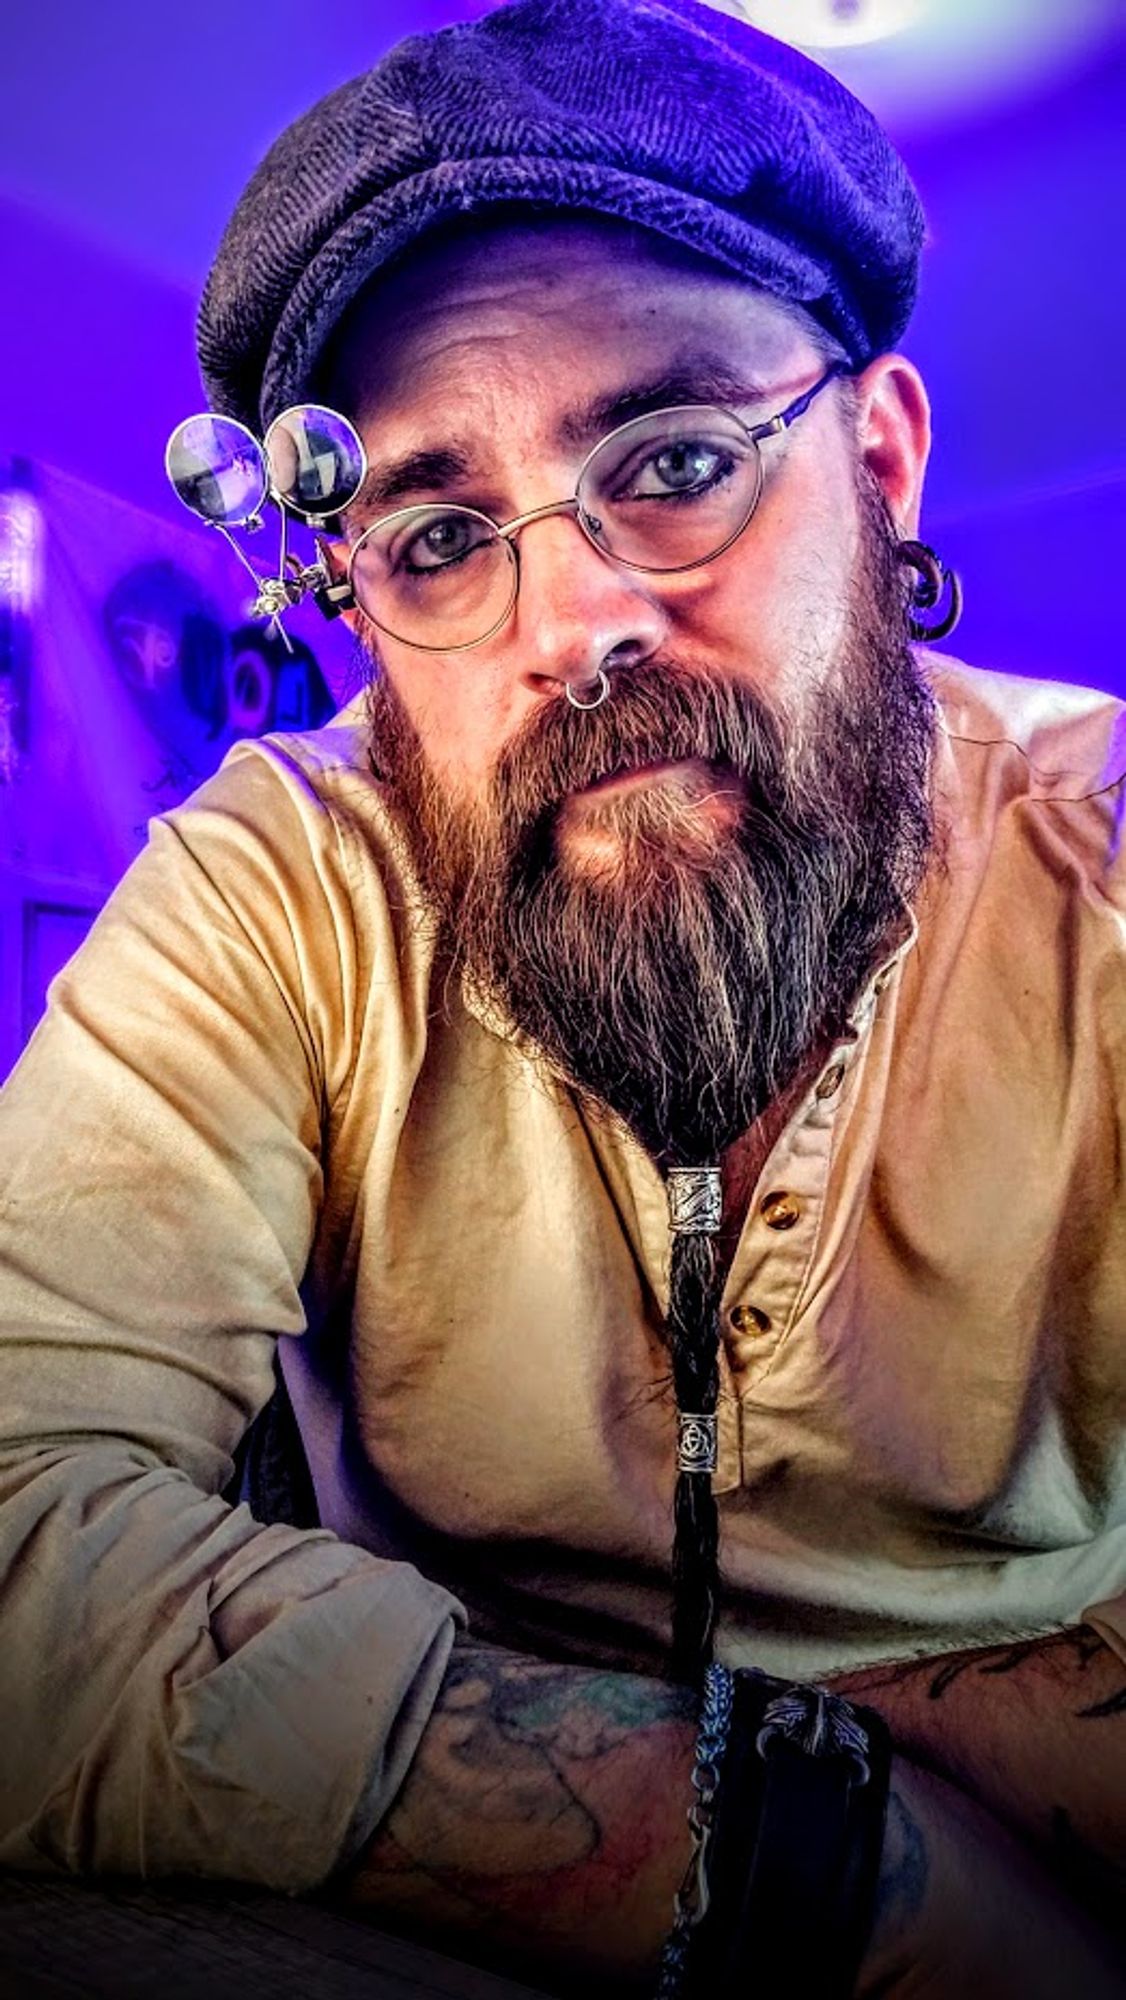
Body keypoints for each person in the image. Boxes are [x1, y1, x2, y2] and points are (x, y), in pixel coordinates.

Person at [0, 1, 1123, 1992]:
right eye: (439, 539)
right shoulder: (283, 878)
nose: (575, 623)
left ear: (876, 463)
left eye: (674, 457)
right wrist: (801, 1843)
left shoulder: (1097, 873)